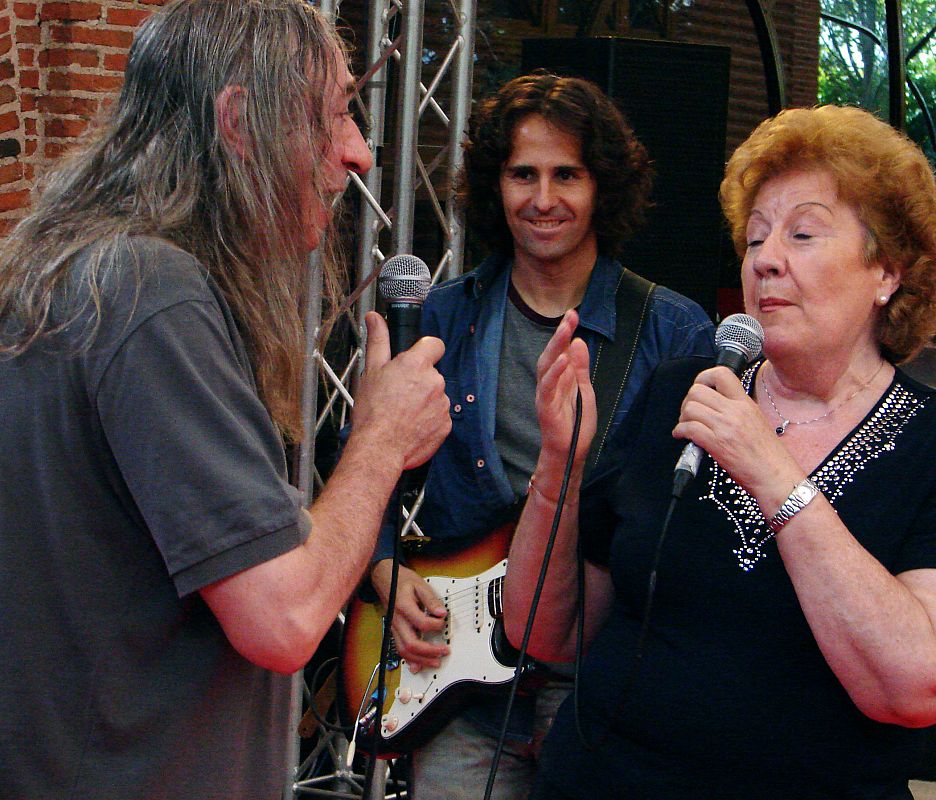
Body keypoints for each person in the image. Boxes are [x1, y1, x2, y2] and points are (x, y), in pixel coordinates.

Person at [0, 1, 451, 798]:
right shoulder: (152, 292)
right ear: (238, 122)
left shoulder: (83, 273)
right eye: (336, 115)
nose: (357, 154)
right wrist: (380, 437)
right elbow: (284, 618)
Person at [504, 104, 936, 799]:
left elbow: (912, 688)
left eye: (802, 234)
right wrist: (560, 467)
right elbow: (543, 635)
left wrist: (772, 472)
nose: (766, 259)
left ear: (886, 270)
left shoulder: (926, 442)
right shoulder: (683, 387)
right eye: (756, 236)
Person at [365, 72, 714, 799]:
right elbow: (360, 467)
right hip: (453, 682)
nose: (544, 198)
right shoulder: (441, 317)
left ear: (603, 187)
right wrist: (382, 571)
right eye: (523, 174)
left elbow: (691, 522)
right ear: (495, 186)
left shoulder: (672, 331)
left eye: (567, 175)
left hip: (597, 682)